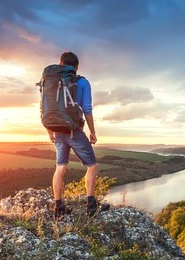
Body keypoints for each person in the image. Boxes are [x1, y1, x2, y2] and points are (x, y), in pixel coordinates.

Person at [46, 51, 109, 219]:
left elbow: (45, 110)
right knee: (92, 166)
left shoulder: (50, 82)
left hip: (57, 130)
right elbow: (87, 109)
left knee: (61, 167)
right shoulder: (81, 82)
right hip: (74, 130)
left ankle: (58, 208)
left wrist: (50, 131)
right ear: (76, 67)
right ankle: (91, 205)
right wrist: (93, 132)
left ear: (60, 64)